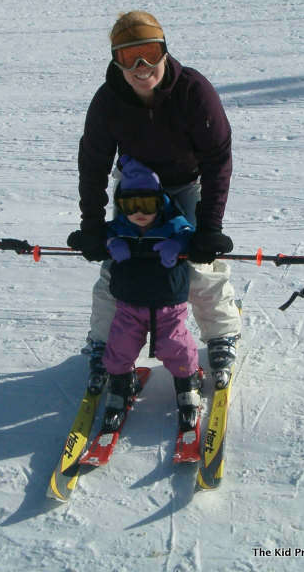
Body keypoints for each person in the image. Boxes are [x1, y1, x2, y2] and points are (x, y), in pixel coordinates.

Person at [67, 10, 241, 393]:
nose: (141, 67)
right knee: (120, 262)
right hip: (136, 192)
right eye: (129, 58)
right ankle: (103, 342)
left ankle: (221, 335)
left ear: (164, 51)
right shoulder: (108, 100)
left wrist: (209, 228)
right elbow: (92, 165)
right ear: (116, 61)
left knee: (201, 265)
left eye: (148, 53)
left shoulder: (193, 91)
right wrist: (93, 226)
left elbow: (217, 159)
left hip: (183, 185)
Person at [100, 155, 201, 432]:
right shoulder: (119, 228)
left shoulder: (172, 225)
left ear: (160, 203)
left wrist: (178, 245)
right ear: (121, 206)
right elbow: (102, 234)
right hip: (128, 304)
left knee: (175, 347)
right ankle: (121, 383)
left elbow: (190, 233)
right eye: (132, 205)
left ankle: (187, 382)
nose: (140, 212)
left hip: (168, 305)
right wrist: (110, 242)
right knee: (119, 346)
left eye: (147, 204)